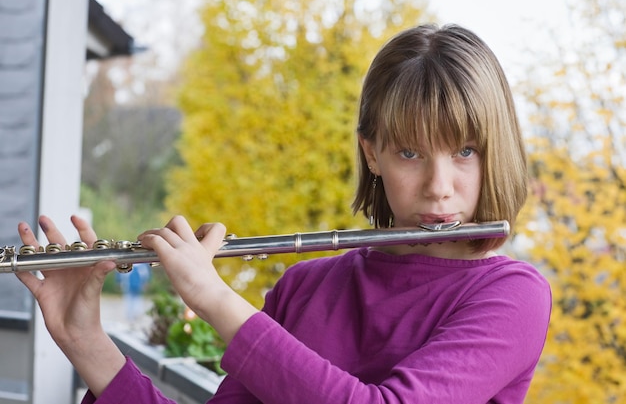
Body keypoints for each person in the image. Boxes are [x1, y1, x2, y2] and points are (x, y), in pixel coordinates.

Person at [16, 24, 551, 403]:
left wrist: (215, 299)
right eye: (410, 152)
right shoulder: (306, 287)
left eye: (464, 151)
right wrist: (84, 339)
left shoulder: (512, 295)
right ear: (373, 154)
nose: (440, 188)